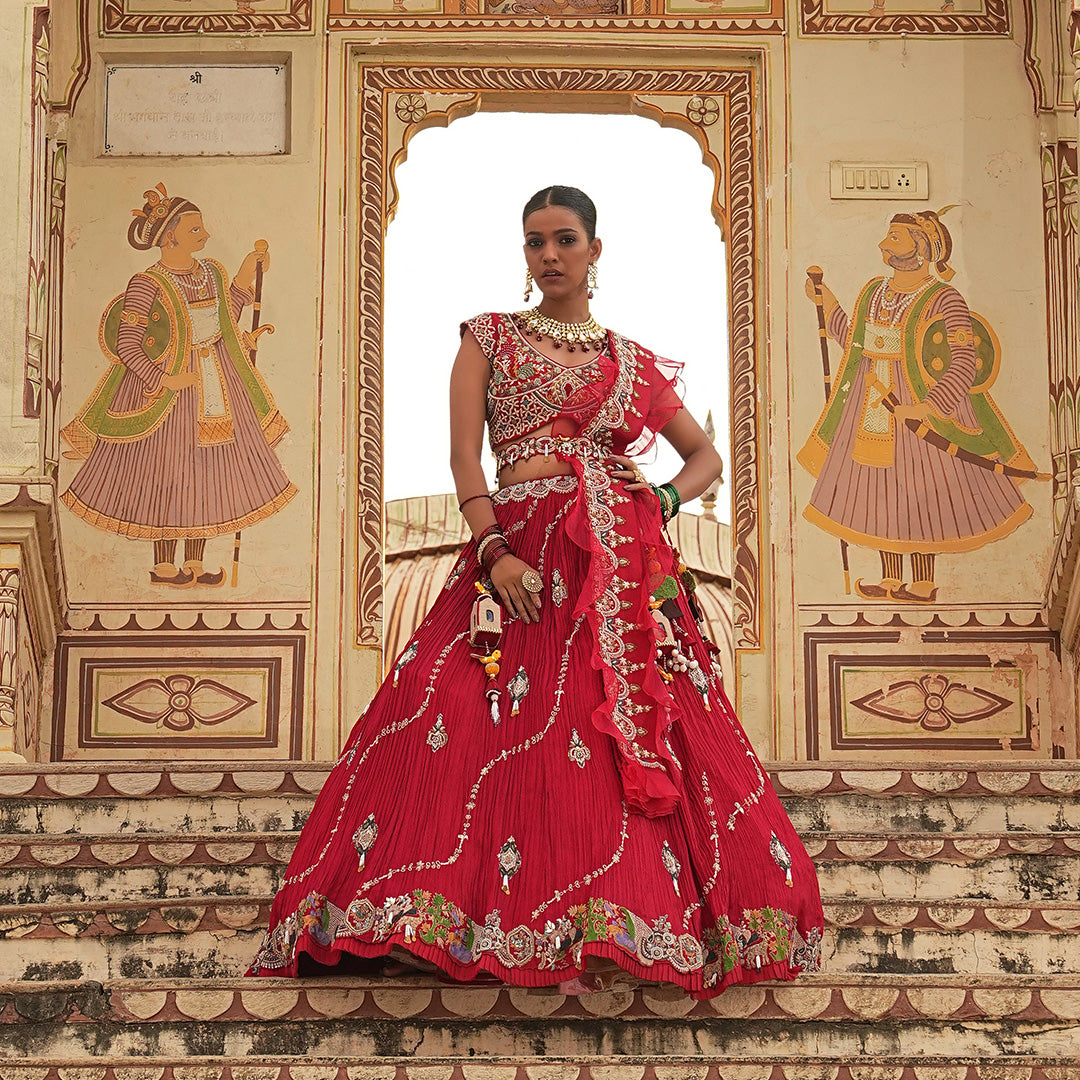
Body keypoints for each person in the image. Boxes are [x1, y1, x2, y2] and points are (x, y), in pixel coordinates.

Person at [248, 186, 822, 997]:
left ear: (595, 249)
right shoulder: (488, 337)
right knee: (454, 705)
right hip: (521, 553)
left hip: (617, 563)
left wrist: (658, 499)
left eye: (563, 239)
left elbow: (704, 458)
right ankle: (426, 915)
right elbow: (464, 460)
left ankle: (607, 919)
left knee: (610, 731)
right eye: (534, 242)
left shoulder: (628, 362)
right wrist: (493, 552)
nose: (548, 254)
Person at [60, 183, 297, 587]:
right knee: (166, 471)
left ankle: (196, 564)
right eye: (194, 230)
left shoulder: (211, 273)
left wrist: (246, 274)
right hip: (165, 393)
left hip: (215, 383)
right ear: (169, 237)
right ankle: (163, 564)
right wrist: (163, 379)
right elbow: (128, 344)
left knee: (208, 471)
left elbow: (226, 315)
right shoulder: (147, 283)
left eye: (202, 229)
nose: (204, 236)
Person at [798, 210, 1037, 602]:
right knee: (877, 488)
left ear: (922, 247)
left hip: (921, 406)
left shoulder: (944, 297)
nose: (884, 244)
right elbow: (857, 342)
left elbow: (964, 359)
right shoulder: (874, 291)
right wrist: (829, 305)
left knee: (923, 488)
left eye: (895, 238)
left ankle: (923, 582)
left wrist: (929, 406)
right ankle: (891, 578)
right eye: (887, 237)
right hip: (871, 402)